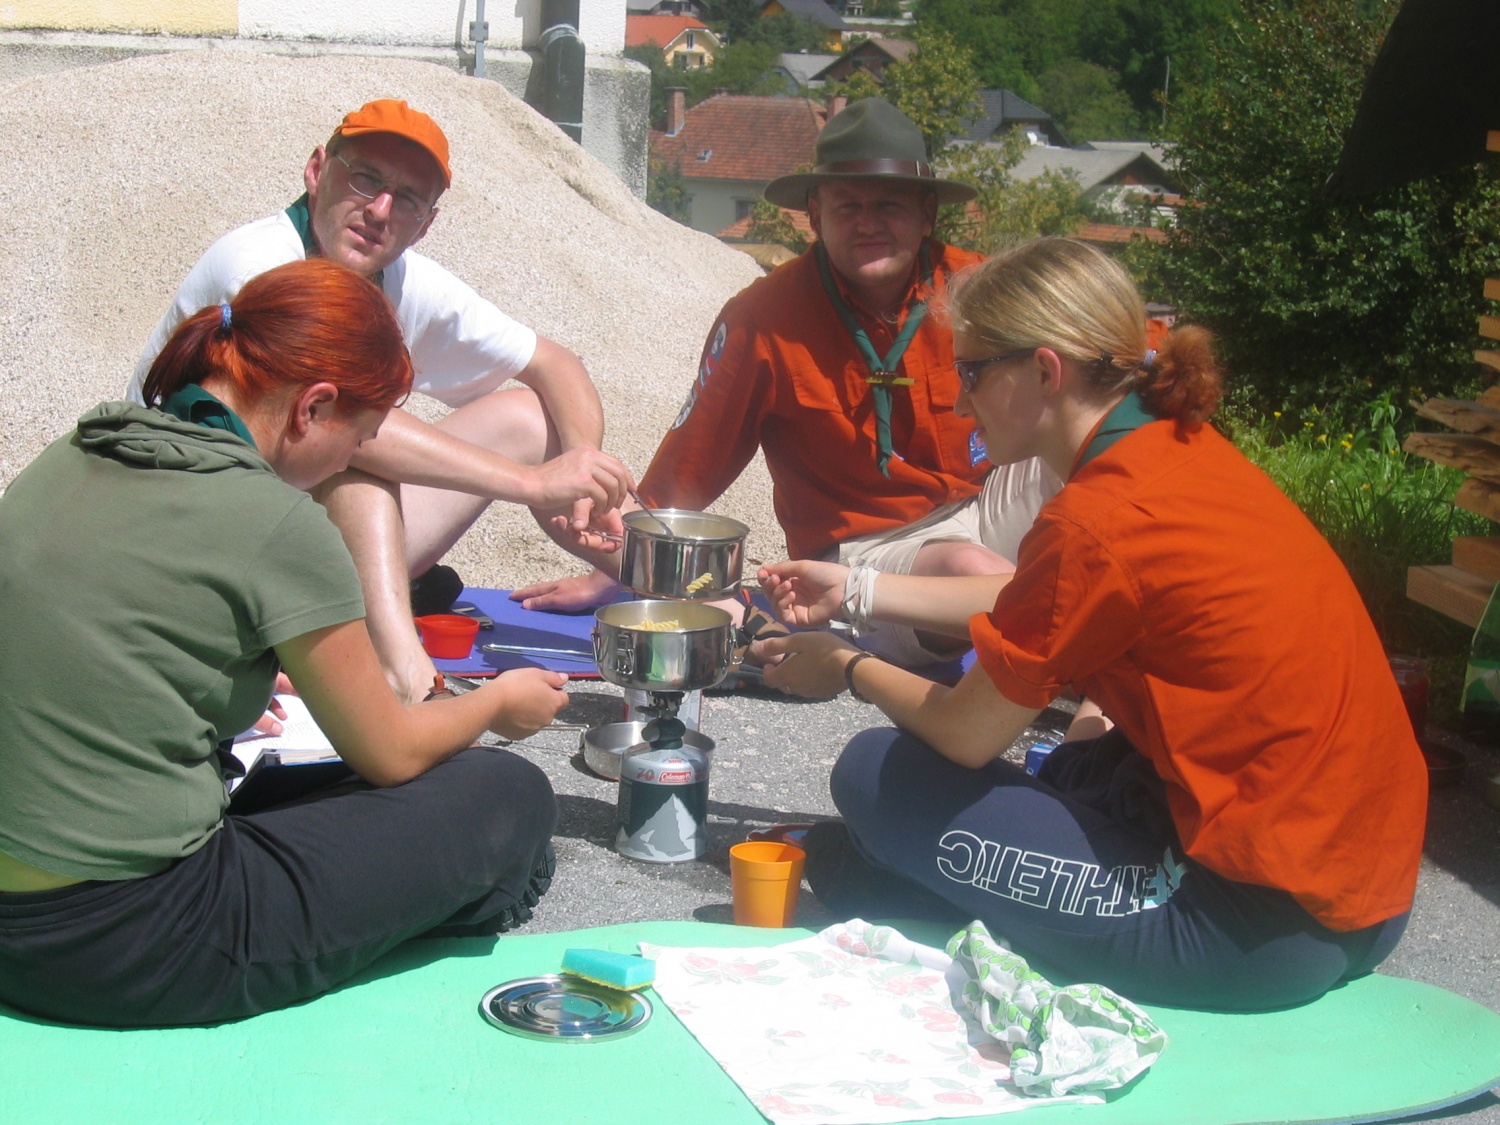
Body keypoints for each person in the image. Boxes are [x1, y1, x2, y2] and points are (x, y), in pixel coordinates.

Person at [755, 238, 1427, 1010]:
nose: (958, 399)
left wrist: (843, 666)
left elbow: (968, 731)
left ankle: (915, 891)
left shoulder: (1097, 520)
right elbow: (1045, 600)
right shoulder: (1175, 452)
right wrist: (858, 591)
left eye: (971, 372)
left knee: (878, 774)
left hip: (1254, 933)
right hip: (1362, 897)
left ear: (1045, 370)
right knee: (1078, 766)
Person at [0, 259, 567, 1029]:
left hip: (20, 908)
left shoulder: (81, 449)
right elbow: (392, 751)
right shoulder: (273, 520)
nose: (350, 463)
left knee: (335, 786)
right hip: (125, 942)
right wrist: (501, 699)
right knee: (506, 797)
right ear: (314, 406)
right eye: (359, 440)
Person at [515, 99, 1059, 667]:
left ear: (928, 215)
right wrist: (629, 570)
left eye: (889, 206)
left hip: (984, 500)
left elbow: (1107, 357)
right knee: (974, 574)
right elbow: (690, 464)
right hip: (869, 549)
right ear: (815, 216)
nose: (868, 223)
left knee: (1111, 450)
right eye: (848, 206)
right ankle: (1074, 653)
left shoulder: (981, 286)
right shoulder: (763, 319)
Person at [128, 98, 633, 704]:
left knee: (528, 417)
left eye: (408, 198)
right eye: (364, 178)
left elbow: (554, 363)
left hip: (290, 535)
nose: (380, 210)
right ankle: (405, 679)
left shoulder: (404, 278)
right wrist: (529, 484)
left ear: (426, 223)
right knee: (352, 459)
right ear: (317, 171)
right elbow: (341, 425)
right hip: (189, 545)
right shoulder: (259, 266)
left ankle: (687, 600)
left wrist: (580, 473)